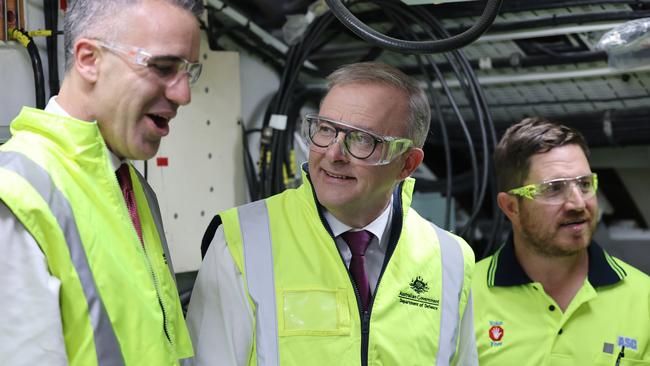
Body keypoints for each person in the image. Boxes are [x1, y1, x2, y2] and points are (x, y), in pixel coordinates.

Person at [186, 61, 478, 365]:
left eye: (362, 139)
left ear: (407, 164)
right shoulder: (241, 242)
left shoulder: (451, 259)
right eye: (325, 130)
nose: (333, 154)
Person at [0, 0, 203, 364]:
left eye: (189, 71)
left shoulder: (134, 189)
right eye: (163, 67)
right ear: (89, 60)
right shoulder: (17, 194)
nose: (183, 95)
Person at [472, 117, 650, 365]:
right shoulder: (464, 295)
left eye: (585, 184)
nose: (578, 203)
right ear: (511, 207)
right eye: (554, 188)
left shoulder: (644, 300)